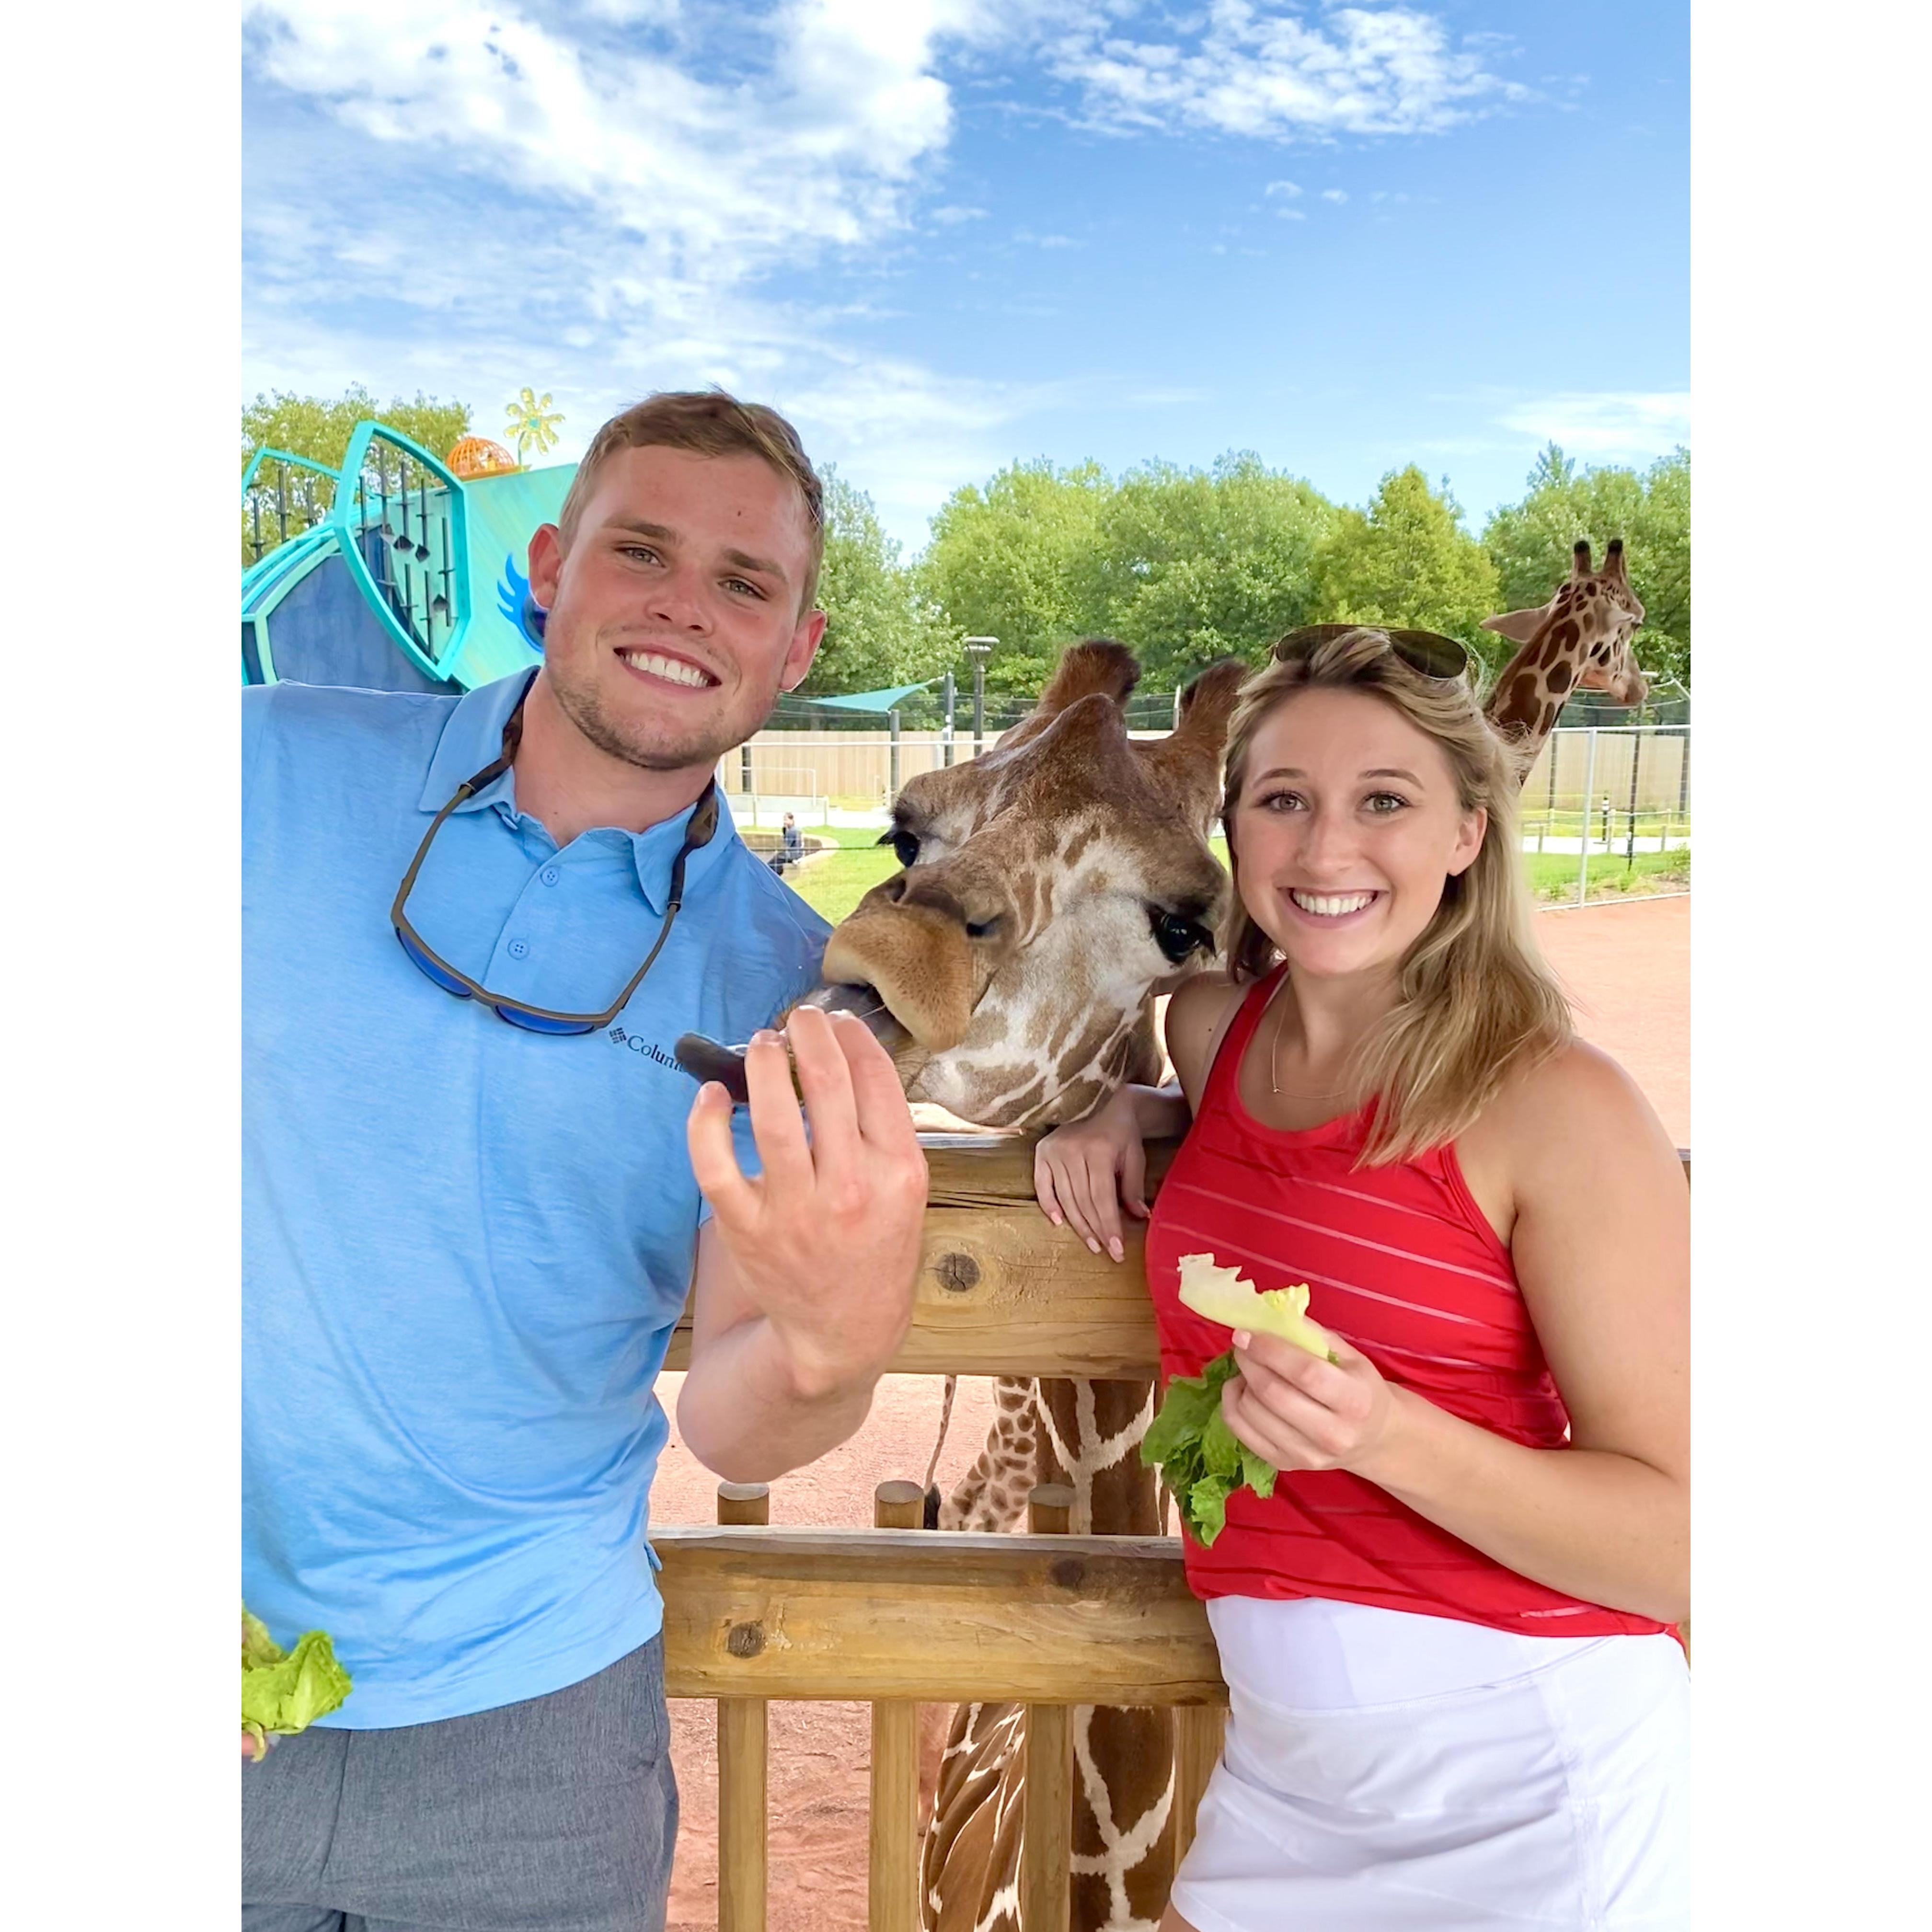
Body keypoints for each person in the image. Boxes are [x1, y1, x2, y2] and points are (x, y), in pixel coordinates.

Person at [242, 391, 928, 1932]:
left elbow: (746, 1427)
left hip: (537, 1734)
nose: (688, 605)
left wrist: (834, 1340)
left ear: (797, 648)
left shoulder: (793, 987)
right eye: (642, 551)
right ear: (552, 567)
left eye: (746, 582)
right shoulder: (252, 771)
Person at [1035, 626, 1689, 1932]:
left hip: (1531, 1791)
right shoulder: (1215, 1031)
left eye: (1385, 801)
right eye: (1284, 803)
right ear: (1234, 829)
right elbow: (1280, 1168)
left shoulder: (1560, 1105)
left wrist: (1387, 1434)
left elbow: (1690, 1547)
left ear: (1467, 833)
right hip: (1288, 1784)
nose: (1327, 852)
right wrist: (1118, 1107)